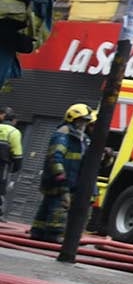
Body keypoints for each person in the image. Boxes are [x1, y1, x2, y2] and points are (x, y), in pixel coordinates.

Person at [30, 103, 92, 242]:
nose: (84, 124)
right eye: (82, 120)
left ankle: (38, 231)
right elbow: (55, 157)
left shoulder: (81, 138)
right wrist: (61, 178)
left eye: (86, 121)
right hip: (60, 180)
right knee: (59, 205)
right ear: (72, 119)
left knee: (48, 205)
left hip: (68, 179)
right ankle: (54, 234)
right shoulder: (64, 134)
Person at [0, 106, 22, 198]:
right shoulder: (14, 132)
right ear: (13, 121)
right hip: (2, 165)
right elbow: (17, 154)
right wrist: (16, 168)